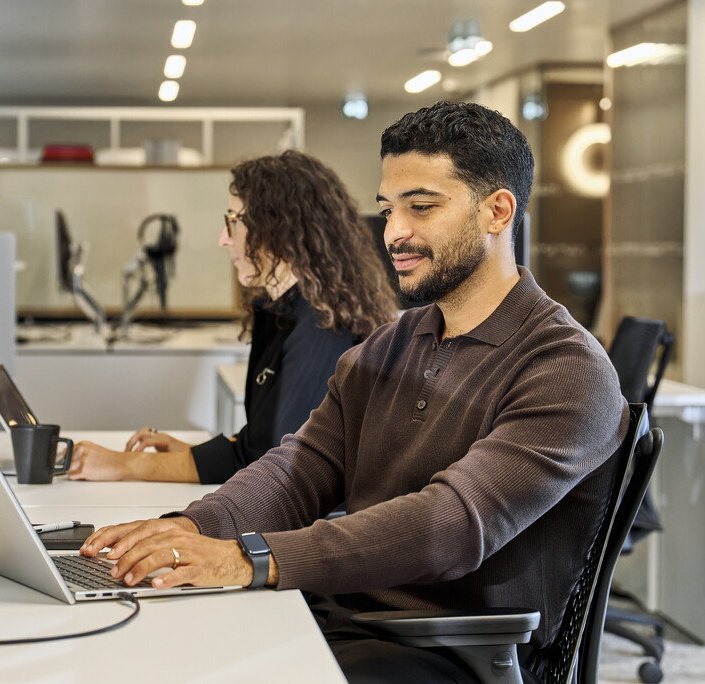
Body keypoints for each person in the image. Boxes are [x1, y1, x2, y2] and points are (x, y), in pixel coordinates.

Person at [78, 102, 627, 683]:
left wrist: (250, 559)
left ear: (497, 211)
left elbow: (451, 525)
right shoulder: (393, 343)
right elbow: (302, 467)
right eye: (389, 209)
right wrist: (193, 528)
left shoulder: (564, 367)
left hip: (450, 650)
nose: (394, 232)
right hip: (344, 614)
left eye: (421, 207)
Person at [67, 151, 399, 484]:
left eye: (234, 221)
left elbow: (278, 467)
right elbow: (259, 441)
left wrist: (127, 466)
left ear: (277, 228)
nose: (223, 238)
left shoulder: (321, 325)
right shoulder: (280, 310)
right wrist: (187, 452)